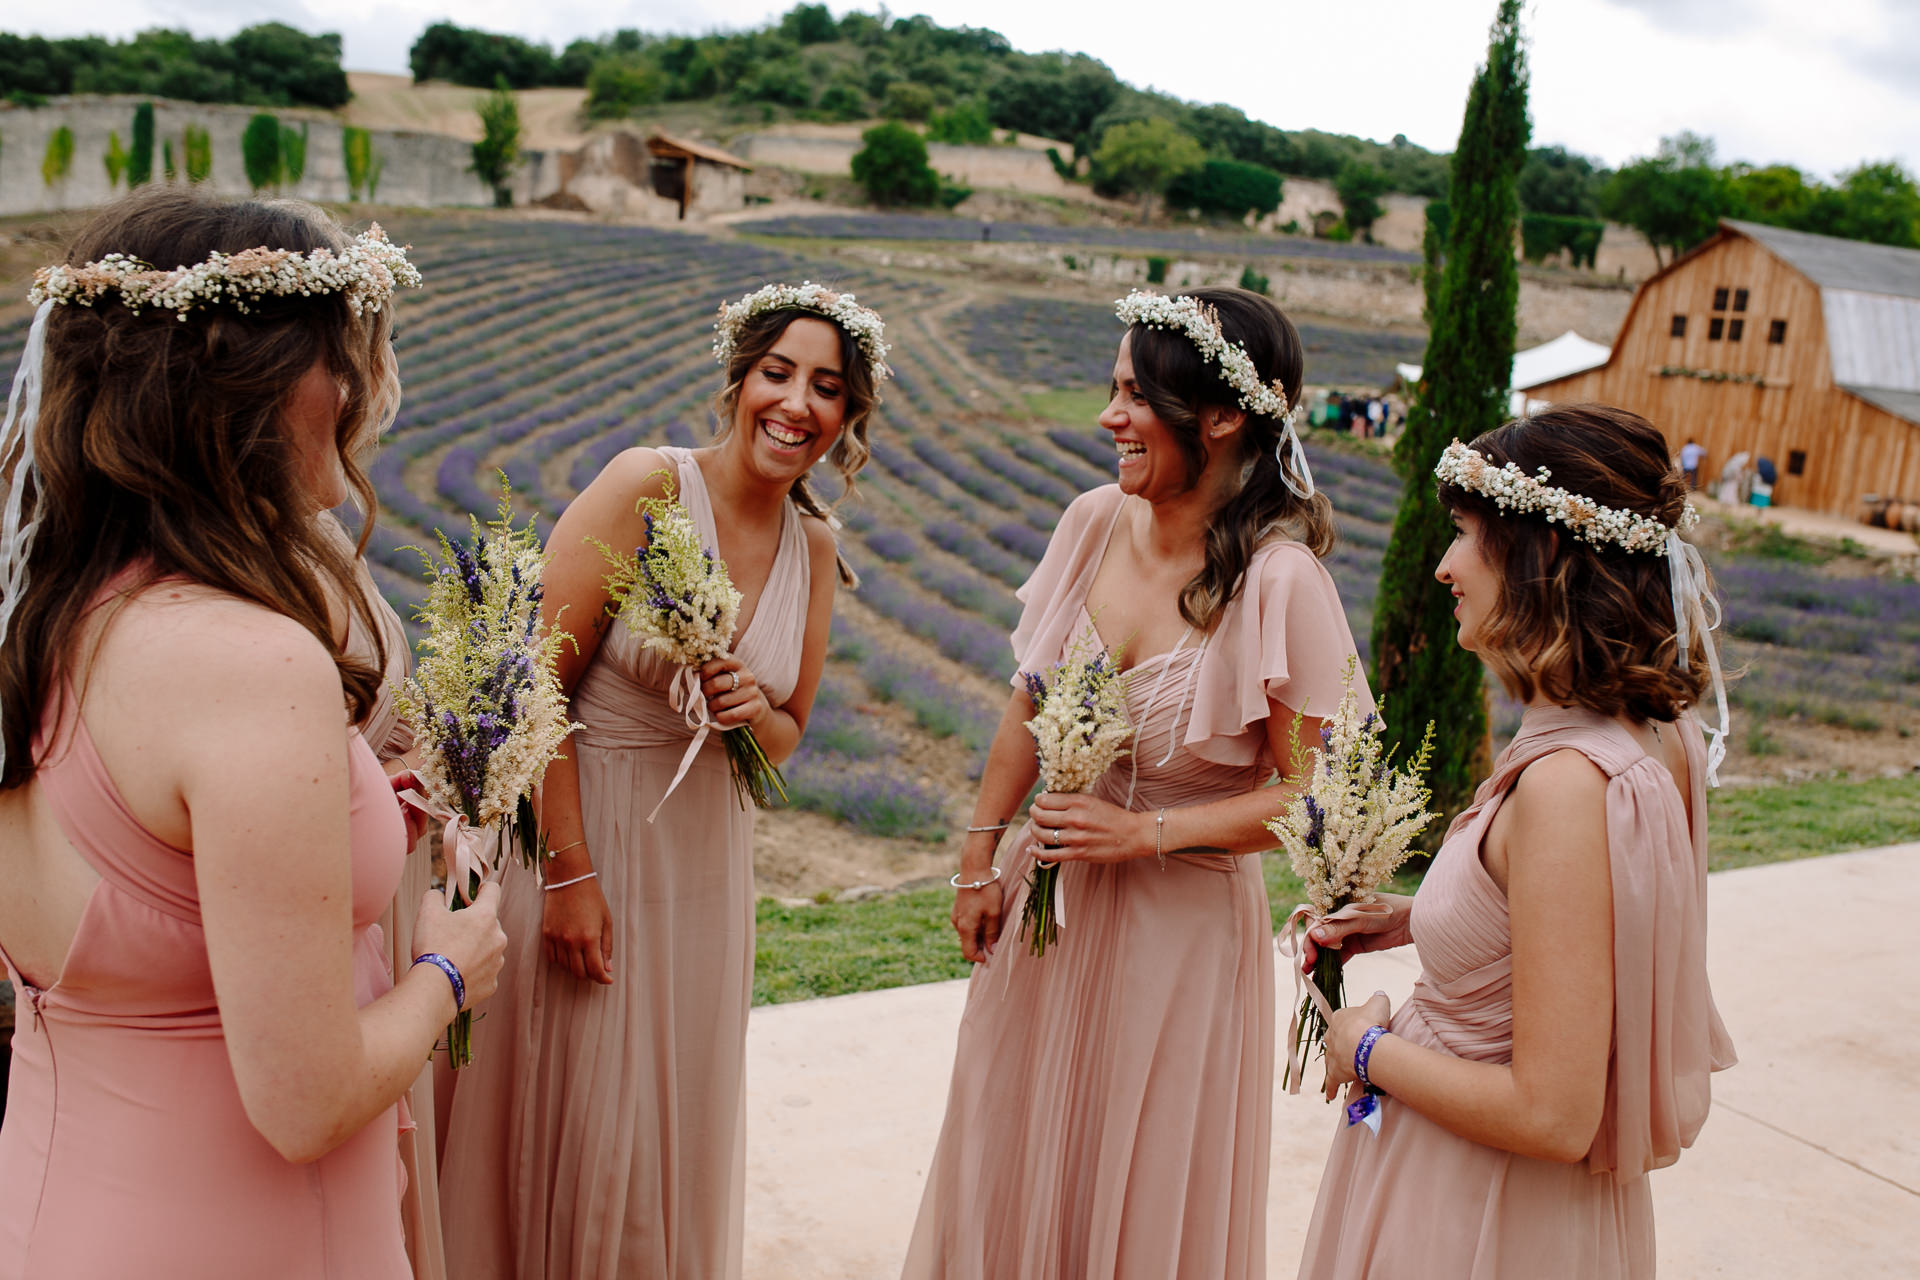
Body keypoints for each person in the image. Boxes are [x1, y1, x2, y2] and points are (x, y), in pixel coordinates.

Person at [0, 187, 507, 1279]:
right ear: (274, 382)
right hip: (247, 1235)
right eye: (349, 355)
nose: (367, 388)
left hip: (56, 1206)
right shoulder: (243, 662)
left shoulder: (43, 624)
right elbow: (304, 1099)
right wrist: (450, 969)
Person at [903, 286, 1366, 1278]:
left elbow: (1312, 798)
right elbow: (1028, 701)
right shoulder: (1091, 521)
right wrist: (979, 856)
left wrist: (1144, 833)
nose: (1109, 417)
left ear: (1222, 416)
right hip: (1049, 907)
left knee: (1139, 1179)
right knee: (1012, 1145)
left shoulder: (1282, 583)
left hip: (1179, 934)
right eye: (1110, 389)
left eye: (1131, 395)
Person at [439, 282, 882, 1279]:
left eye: (827, 388)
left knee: (667, 1117)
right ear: (738, 379)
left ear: (848, 416)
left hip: (704, 865)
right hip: (583, 826)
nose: (798, 404)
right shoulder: (648, 483)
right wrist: (568, 873)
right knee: (582, 1106)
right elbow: (531, 677)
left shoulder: (816, 547)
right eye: (779, 374)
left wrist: (743, 709)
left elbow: (788, 732)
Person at [1296, 404, 1737, 1279]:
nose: (1443, 565)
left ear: (1548, 557)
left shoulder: (1569, 785)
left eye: (1465, 535)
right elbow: (1585, 932)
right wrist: (1424, 917)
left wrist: (1365, 1048)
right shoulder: (1664, 733)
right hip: (1534, 1210)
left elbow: (1552, 1114)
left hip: (1478, 1211)